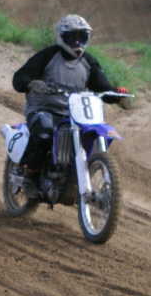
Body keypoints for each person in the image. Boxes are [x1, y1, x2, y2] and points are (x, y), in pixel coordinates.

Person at [12, 14, 129, 197]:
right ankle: (30, 176)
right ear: (61, 37)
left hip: (74, 114)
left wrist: (117, 95)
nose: (77, 43)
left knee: (94, 135)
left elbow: (102, 87)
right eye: (72, 37)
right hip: (44, 109)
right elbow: (19, 78)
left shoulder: (88, 62)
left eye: (82, 37)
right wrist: (31, 83)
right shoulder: (48, 55)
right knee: (44, 132)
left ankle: (77, 176)